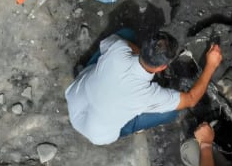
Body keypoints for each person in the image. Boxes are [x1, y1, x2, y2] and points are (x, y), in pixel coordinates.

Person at [65, 29, 223, 145]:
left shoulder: (119, 49)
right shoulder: (147, 96)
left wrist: (147, 58)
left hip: (75, 98)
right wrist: (211, 64)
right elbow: (191, 99)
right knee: (170, 113)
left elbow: (106, 45)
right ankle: (132, 126)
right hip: (98, 135)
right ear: (162, 68)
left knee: (126, 34)